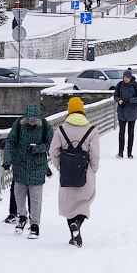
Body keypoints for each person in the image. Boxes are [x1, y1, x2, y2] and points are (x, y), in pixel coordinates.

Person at [49, 97, 100, 248]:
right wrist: (93, 169)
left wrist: (60, 167)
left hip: (66, 172)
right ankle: (77, 224)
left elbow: (53, 151)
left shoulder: (61, 129)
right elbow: (95, 154)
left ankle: (74, 236)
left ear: (69, 111)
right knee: (85, 201)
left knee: (69, 205)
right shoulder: (92, 130)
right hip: (85, 173)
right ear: (83, 111)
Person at [2, 103, 53, 239]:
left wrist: (36, 148)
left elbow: (50, 145)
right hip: (20, 165)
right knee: (19, 194)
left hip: (37, 166)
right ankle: (22, 217)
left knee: (36, 198)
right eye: (29, 121)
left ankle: (35, 224)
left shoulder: (46, 126)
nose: (31, 123)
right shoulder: (18, 124)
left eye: (33, 121)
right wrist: (7, 161)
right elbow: (10, 141)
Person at [114, 68, 137, 158]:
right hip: (122, 112)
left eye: (127, 77)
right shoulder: (120, 85)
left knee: (131, 133)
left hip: (132, 112)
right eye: (124, 77)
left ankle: (129, 152)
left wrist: (130, 100)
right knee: (121, 132)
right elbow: (115, 95)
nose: (125, 79)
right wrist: (119, 100)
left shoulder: (136, 85)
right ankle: (120, 152)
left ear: (130, 78)